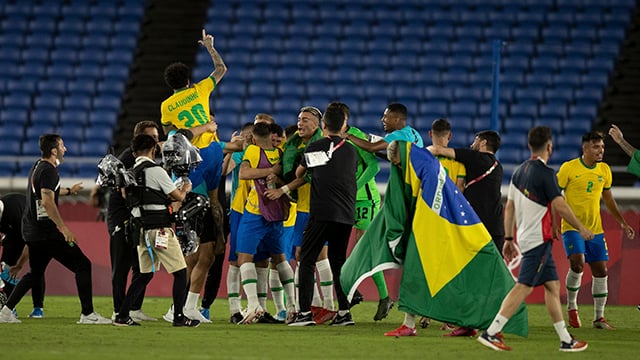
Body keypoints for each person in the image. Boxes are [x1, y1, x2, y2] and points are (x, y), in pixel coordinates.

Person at [478, 126, 589, 352]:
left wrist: (509, 238)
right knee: (523, 287)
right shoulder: (546, 174)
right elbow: (559, 204)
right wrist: (581, 227)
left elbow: (509, 207)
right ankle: (491, 332)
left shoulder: (519, 171)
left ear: (529, 146)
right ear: (549, 146)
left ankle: (565, 339)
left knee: (552, 286)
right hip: (538, 240)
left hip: (528, 237)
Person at [0, 134, 111, 324]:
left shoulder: (38, 166)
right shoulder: (48, 171)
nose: (65, 149)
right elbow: (47, 202)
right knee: (82, 265)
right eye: (62, 146)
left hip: (33, 232)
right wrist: (64, 228)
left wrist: (70, 191)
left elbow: (48, 191)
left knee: (35, 273)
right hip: (45, 232)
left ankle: (5, 312)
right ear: (54, 151)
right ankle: (88, 314)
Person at [388, 118, 466, 335]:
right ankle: (449, 319)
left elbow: (412, 190)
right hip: (447, 224)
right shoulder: (459, 163)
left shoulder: (419, 157)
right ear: (449, 136)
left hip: (423, 224)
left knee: (416, 271)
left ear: (430, 134)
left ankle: (411, 323)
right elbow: (458, 193)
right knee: (447, 273)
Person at [114, 134, 199, 327]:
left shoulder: (131, 172)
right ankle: (179, 316)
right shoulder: (156, 171)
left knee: (145, 274)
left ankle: (122, 315)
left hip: (141, 230)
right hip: (159, 229)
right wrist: (185, 188)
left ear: (134, 152)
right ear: (154, 150)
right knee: (180, 272)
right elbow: (178, 196)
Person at [287, 105, 358, 326]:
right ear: (343, 126)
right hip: (346, 214)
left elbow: (300, 173)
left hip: (322, 212)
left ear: (324, 125)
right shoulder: (351, 150)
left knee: (306, 260)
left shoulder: (315, 147)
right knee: (339, 263)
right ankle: (345, 313)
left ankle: (305, 313)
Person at [427, 130, 503, 337]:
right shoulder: (498, 166)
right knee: (488, 278)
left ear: (484, 142)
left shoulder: (474, 158)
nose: (473, 142)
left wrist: (414, 153)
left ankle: (474, 323)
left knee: (467, 275)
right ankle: (485, 323)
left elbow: (437, 150)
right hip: (496, 228)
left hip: (476, 228)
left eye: (476, 139)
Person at [556, 130, 634, 330]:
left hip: (595, 230)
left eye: (602, 147)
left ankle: (599, 318)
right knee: (578, 263)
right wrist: (554, 223)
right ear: (585, 148)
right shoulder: (569, 168)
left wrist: (622, 222)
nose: (601, 151)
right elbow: (554, 198)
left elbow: (608, 199)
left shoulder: (604, 170)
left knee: (601, 270)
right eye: (596, 147)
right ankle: (572, 308)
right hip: (572, 227)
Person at [330, 102, 388, 323]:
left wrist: (352, 187)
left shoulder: (355, 136)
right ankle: (352, 292)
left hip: (364, 200)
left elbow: (373, 167)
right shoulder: (328, 138)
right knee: (341, 249)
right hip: (343, 201)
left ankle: (375, 295)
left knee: (363, 249)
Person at [234, 122, 297, 324]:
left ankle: (253, 305)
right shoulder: (280, 153)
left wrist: (267, 171)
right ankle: (292, 306)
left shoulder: (253, 150)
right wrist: (273, 171)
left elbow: (244, 173)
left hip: (255, 212)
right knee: (280, 259)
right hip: (277, 212)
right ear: (272, 136)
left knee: (244, 258)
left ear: (253, 137)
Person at [100, 120, 160, 322]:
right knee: (122, 267)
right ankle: (119, 310)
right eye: (152, 137)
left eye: (157, 137)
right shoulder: (128, 158)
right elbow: (124, 190)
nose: (156, 141)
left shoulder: (146, 159)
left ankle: (134, 307)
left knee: (141, 265)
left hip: (135, 218)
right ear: (139, 139)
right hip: (121, 218)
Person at [278, 106, 335, 316]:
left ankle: (328, 305)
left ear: (318, 124)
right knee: (301, 255)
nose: (300, 123)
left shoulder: (321, 145)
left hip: (318, 207)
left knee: (320, 255)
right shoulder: (294, 144)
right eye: (299, 119)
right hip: (302, 206)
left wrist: (284, 188)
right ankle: (316, 302)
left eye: (306, 120)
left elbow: (307, 175)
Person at [161, 29, 227, 149]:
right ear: (188, 81)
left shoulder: (166, 106)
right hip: (213, 147)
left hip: (193, 153)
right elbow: (221, 69)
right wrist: (210, 47)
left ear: (170, 84)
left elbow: (168, 132)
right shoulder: (200, 89)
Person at [0, 193, 45, 318]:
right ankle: (9, 307)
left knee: (36, 267)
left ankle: (38, 308)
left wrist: (19, 266)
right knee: (5, 267)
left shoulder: (17, 216)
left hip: (35, 229)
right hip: (14, 232)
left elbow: (29, 244)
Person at [346, 103, 424, 154]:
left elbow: (371, 147)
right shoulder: (414, 132)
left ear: (396, 120)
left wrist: (349, 136)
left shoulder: (397, 135)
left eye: (385, 117)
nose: (382, 119)